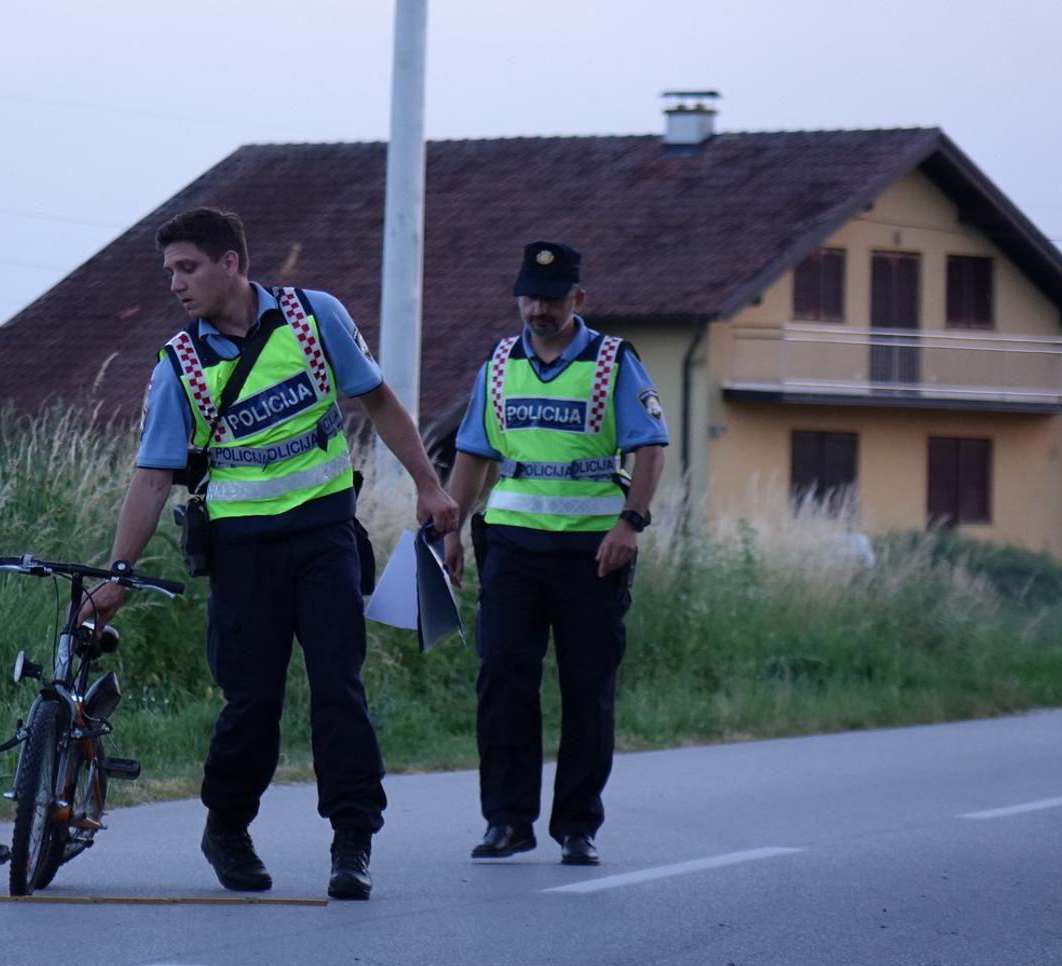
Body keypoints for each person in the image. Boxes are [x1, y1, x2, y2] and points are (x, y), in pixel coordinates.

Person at [83, 207, 457, 900]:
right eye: (169, 271)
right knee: (252, 702)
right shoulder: (179, 365)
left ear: (230, 263)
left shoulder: (315, 317)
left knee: (338, 687)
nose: (175, 284)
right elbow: (152, 478)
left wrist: (429, 485)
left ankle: (352, 839)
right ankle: (226, 828)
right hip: (242, 554)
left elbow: (379, 402)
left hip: (324, 538)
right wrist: (118, 576)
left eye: (187, 267)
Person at [442, 240, 667, 867]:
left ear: (578, 299)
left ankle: (576, 826)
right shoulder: (498, 364)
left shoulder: (613, 362)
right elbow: (473, 453)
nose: (539, 309)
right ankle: (507, 821)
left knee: (587, 688)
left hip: (593, 552)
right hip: (512, 546)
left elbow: (650, 447)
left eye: (552, 298)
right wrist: (450, 531)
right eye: (530, 298)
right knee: (502, 680)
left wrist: (630, 523)